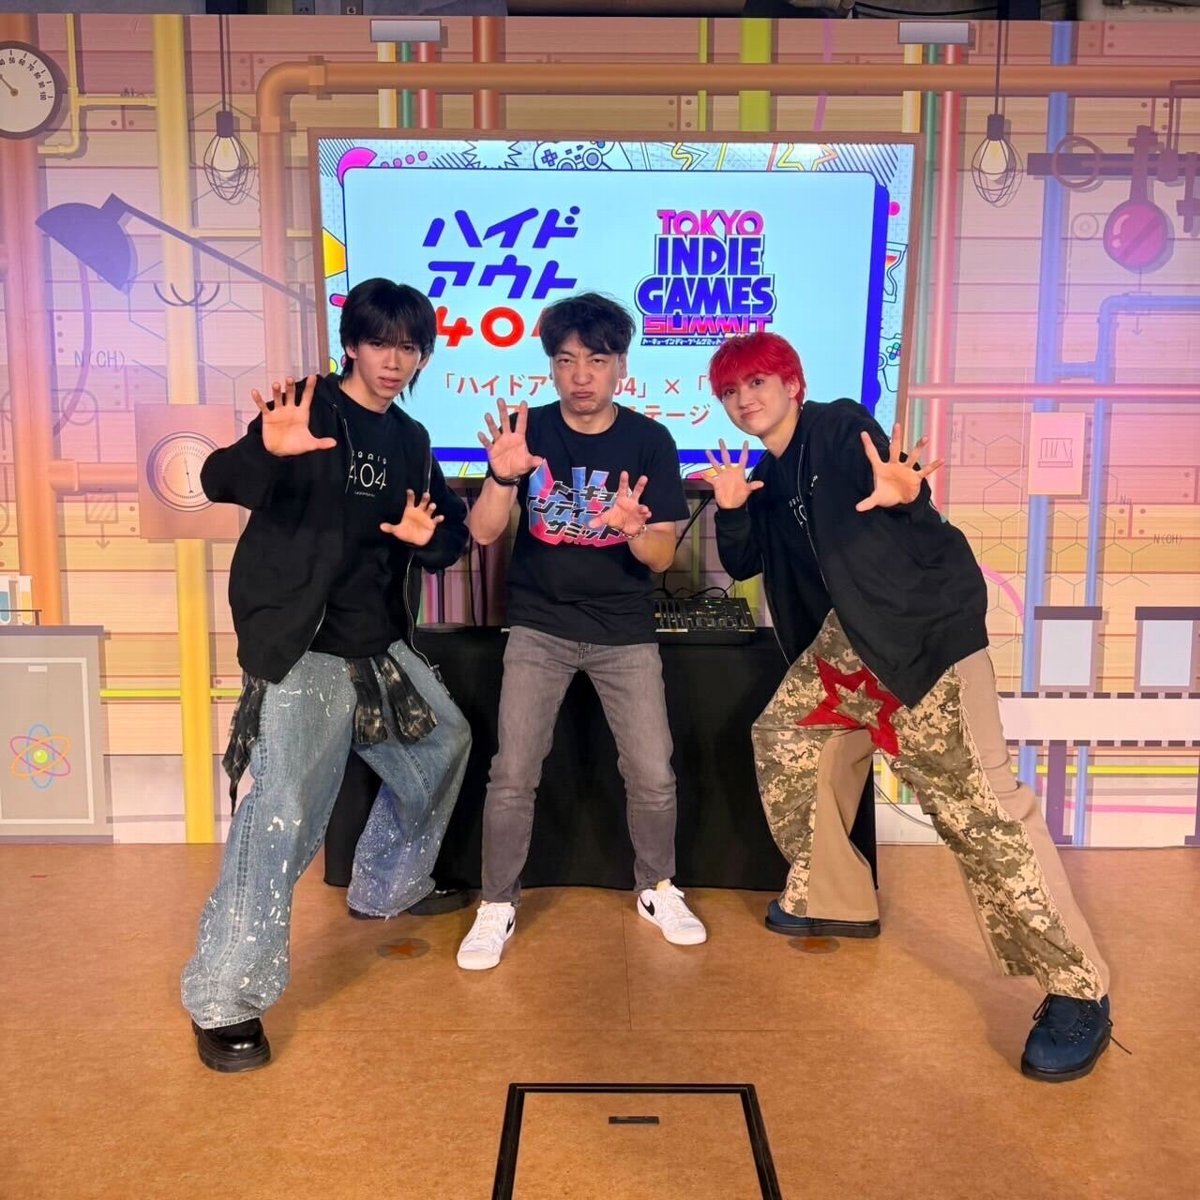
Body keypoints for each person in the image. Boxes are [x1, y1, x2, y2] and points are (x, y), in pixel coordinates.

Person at [707, 331, 1113, 1082]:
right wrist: (731, 509)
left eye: (757, 382)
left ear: (793, 384)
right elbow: (743, 562)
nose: (744, 399)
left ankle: (1077, 989)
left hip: (919, 640)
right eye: (730, 391)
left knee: (979, 816)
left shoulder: (838, 427)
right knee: (783, 736)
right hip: (846, 647)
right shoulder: (766, 473)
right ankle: (837, 896)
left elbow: (895, 488)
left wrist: (909, 495)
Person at [182, 278, 472, 1072]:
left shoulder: (410, 436)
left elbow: (445, 538)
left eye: (410, 347)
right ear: (352, 344)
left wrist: (425, 539)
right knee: (281, 816)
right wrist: (265, 450)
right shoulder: (306, 408)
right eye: (381, 343)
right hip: (303, 646)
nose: (394, 360)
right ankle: (224, 999)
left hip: (376, 647)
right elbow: (217, 480)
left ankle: (385, 883)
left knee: (443, 743)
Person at [455, 292, 707, 970]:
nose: (581, 376)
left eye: (596, 360)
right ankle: (496, 903)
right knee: (512, 773)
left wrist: (633, 530)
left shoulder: (650, 440)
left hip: (624, 630)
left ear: (621, 365)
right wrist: (503, 475)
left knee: (652, 772)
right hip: (539, 626)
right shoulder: (527, 430)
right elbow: (483, 533)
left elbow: (662, 556)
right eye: (566, 361)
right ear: (551, 367)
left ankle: (657, 888)